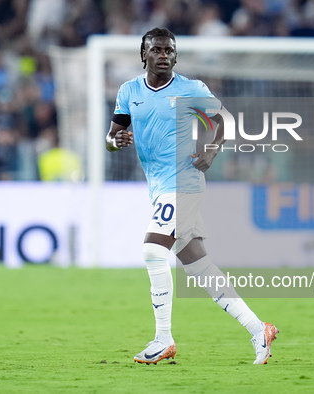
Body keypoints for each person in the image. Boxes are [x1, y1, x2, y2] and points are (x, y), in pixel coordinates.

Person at [106, 27, 278, 365]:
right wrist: (116, 141)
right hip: (159, 187)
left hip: (183, 182)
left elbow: (222, 120)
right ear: (144, 55)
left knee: (154, 251)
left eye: (169, 50)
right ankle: (259, 329)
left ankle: (163, 338)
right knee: (200, 267)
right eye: (156, 49)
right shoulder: (129, 92)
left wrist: (211, 151)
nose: (164, 55)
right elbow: (112, 136)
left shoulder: (190, 89)